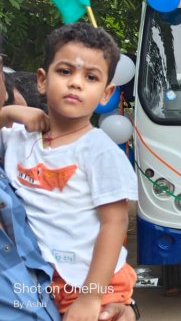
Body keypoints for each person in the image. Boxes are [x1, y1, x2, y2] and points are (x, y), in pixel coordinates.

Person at [1, 23, 139, 319]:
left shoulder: (99, 151)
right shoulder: (17, 138)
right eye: (65, 71)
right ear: (41, 79)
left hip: (94, 282)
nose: (76, 83)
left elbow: (114, 225)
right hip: (49, 277)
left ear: (106, 94)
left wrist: (91, 298)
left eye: (90, 77)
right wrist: (8, 113)